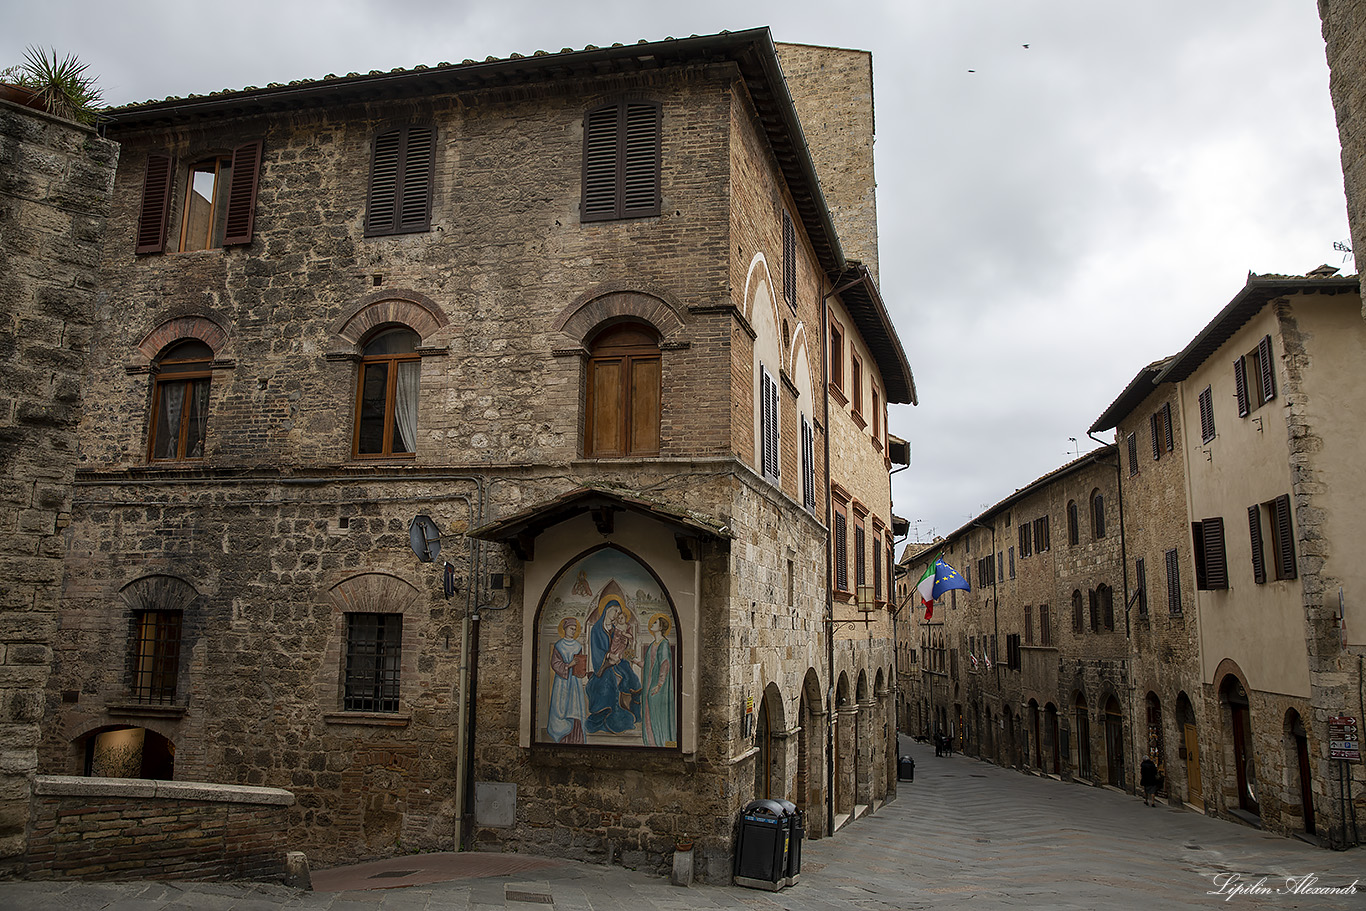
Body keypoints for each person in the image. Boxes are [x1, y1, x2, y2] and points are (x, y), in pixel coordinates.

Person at [546, 617, 587, 743]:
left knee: (574, 708)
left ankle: (576, 738)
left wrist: (581, 671)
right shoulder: (559, 645)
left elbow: (580, 664)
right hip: (562, 682)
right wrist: (569, 665)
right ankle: (563, 737)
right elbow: (555, 664)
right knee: (561, 708)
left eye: (575, 629)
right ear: (565, 629)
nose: (573, 631)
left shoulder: (577, 646)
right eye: (571, 629)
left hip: (574, 682)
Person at [641, 613, 675, 747]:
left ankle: (661, 742)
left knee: (657, 715)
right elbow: (649, 664)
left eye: (655, 622)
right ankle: (651, 742)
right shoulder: (652, 644)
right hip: (650, 684)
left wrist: (659, 685)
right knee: (649, 713)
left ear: (661, 627)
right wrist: (638, 662)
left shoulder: (664, 644)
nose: (652, 624)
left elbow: (664, 664)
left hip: (658, 688)